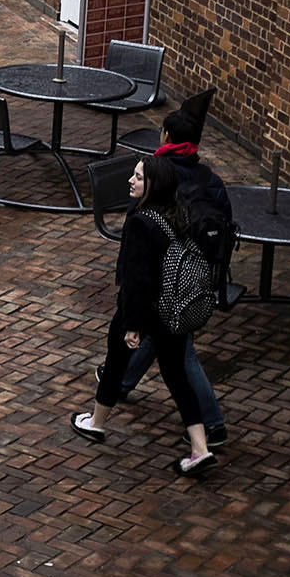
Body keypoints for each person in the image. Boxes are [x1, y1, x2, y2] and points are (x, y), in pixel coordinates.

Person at [71, 156, 219, 478]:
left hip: (142, 310)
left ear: (152, 184)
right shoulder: (179, 215)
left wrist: (132, 325)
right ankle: (200, 448)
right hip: (172, 310)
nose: (131, 181)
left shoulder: (140, 222)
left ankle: (95, 423)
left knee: (115, 365)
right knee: (177, 376)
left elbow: (137, 278)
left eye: (138, 177)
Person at [113, 91, 231, 444]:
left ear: (165, 137)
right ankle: (120, 381)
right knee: (163, 335)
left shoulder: (158, 177)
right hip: (197, 273)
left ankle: (212, 425)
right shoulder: (209, 179)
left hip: (163, 280)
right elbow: (224, 223)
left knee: (181, 351)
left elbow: (137, 232)